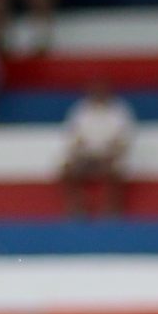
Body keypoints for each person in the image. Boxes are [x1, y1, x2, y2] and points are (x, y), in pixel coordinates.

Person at [61, 77, 135, 218]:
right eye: (95, 91)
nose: (98, 94)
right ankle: (77, 210)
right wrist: (79, 154)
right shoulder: (80, 110)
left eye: (101, 91)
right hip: (86, 155)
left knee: (116, 170)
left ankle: (112, 211)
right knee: (67, 170)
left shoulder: (119, 111)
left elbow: (123, 139)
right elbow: (74, 137)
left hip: (110, 155)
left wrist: (110, 154)